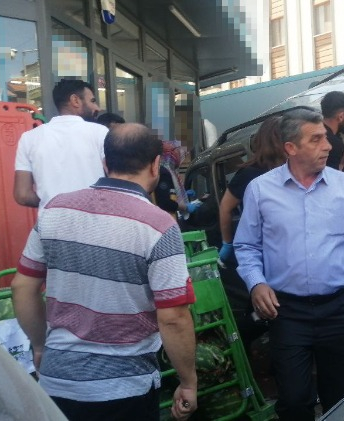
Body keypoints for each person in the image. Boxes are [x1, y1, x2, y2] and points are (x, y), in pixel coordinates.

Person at [11, 123, 198, 421]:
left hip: (57, 383)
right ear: (155, 165)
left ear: (105, 163)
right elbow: (173, 317)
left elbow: (22, 287)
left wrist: (40, 346)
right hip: (124, 389)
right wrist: (188, 382)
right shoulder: (159, 225)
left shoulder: (56, 210)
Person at [234, 109, 344, 420]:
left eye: (326, 138)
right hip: (287, 312)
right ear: (290, 148)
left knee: (341, 399)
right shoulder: (261, 190)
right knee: (293, 401)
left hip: (340, 309)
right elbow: (246, 245)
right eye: (316, 139)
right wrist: (256, 282)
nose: (328, 146)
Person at [14, 79, 107, 212]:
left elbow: (22, 195)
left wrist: (52, 202)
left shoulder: (29, 138)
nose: (97, 108)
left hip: (50, 221)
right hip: (94, 219)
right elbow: (118, 178)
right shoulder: (100, 132)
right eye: (92, 101)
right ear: (75, 100)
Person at [219, 116, 286, 264]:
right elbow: (225, 207)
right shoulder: (250, 174)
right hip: (264, 250)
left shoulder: (296, 170)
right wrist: (227, 242)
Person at [153, 141, 202, 220]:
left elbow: (168, 193)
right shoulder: (163, 172)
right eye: (178, 153)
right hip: (169, 219)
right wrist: (186, 207)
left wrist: (183, 194)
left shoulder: (170, 170)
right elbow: (166, 203)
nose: (180, 156)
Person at [321, 91, 344, 170]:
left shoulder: (316, 132)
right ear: (341, 117)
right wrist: (343, 162)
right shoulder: (334, 145)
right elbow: (331, 176)